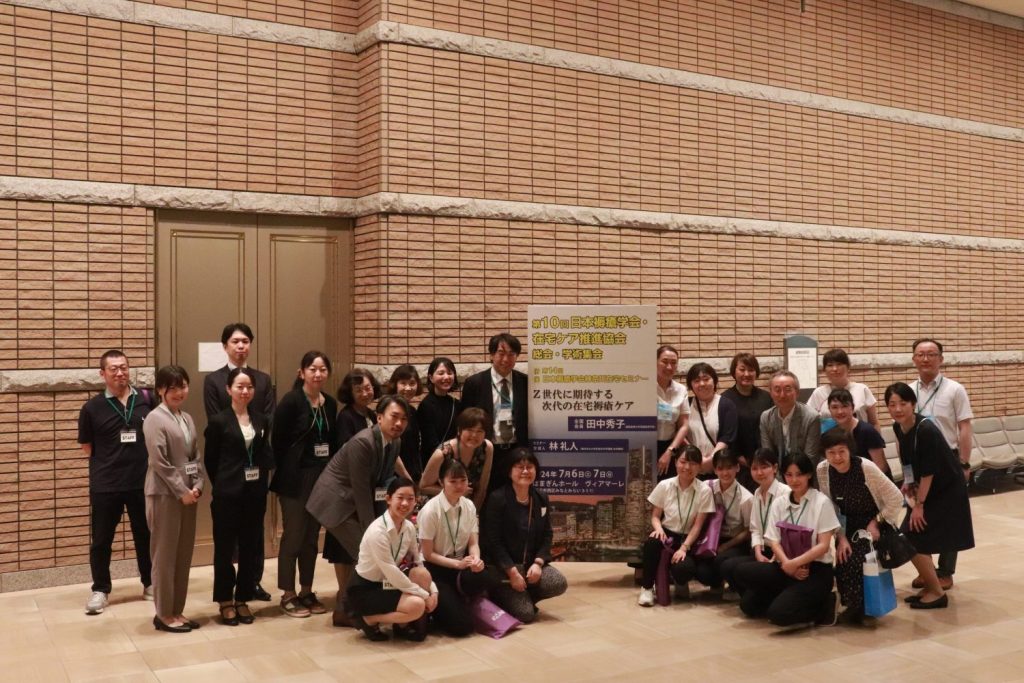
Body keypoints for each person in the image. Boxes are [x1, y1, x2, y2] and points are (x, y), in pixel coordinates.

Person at [306, 395, 414, 627]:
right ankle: (346, 611)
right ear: (379, 417)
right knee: (368, 552)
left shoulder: (395, 442)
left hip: (354, 502)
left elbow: (383, 484)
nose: (399, 423)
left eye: (404, 419)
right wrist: (372, 531)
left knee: (365, 553)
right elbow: (361, 490)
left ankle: (347, 608)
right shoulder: (363, 442)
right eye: (394, 417)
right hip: (335, 502)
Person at [202, 322, 276, 602]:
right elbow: (214, 428)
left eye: (245, 341)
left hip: (256, 473)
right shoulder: (214, 381)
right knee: (226, 540)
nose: (241, 346)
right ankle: (226, 596)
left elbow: (268, 419)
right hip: (229, 473)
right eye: (235, 341)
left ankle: (252, 583)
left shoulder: (263, 380)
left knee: (253, 537)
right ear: (225, 346)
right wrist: (223, 477)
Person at [886, 382, 975, 609]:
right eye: (892, 404)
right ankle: (931, 586)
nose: (898, 409)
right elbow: (907, 459)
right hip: (929, 488)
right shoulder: (898, 427)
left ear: (913, 404)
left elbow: (929, 471)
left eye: (903, 403)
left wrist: (919, 505)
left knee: (912, 538)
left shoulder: (926, 429)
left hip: (946, 491)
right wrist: (907, 482)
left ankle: (936, 592)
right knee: (912, 538)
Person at [78, 350, 154, 615]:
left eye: (124, 367)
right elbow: (87, 447)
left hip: (141, 481)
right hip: (106, 484)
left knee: (145, 535)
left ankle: (150, 583)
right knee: (101, 540)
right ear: (103, 374)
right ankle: (100, 590)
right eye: (113, 369)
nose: (120, 373)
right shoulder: (92, 408)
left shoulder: (146, 399)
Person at [733, 452, 840, 627]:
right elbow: (773, 540)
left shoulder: (821, 502)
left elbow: (823, 546)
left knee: (778, 615)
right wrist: (787, 564)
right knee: (746, 596)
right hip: (786, 565)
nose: (794, 480)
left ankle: (823, 605)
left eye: (799, 474)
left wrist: (794, 564)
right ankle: (787, 594)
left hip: (814, 570)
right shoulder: (780, 502)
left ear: (809, 474)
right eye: (789, 475)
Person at [269, 351, 338, 618]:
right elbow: (278, 441)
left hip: (321, 478)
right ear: (302, 373)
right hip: (295, 479)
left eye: (322, 369)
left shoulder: (329, 404)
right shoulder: (291, 401)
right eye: (312, 369)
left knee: (311, 537)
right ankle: (288, 593)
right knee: (294, 536)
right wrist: (289, 468)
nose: (317, 374)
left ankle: (307, 590)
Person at [817, 427, 903, 623]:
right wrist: (840, 536)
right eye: (831, 452)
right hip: (845, 525)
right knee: (843, 559)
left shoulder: (866, 467)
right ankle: (852, 605)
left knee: (859, 560)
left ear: (850, 449)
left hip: (873, 524)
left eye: (841, 451)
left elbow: (896, 498)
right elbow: (830, 507)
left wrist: (877, 522)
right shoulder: (822, 470)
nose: (837, 457)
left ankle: (865, 609)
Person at [909, 338, 973, 590]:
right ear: (913, 359)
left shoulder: (955, 389)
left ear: (941, 359)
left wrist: (964, 463)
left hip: (948, 460)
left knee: (948, 517)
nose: (926, 359)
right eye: (920, 354)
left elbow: (964, 427)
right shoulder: (908, 391)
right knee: (918, 514)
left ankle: (945, 571)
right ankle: (926, 570)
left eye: (931, 354)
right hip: (919, 461)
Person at [144, 365, 205, 633]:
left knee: (183, 555)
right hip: (165, 495)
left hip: (189, 494)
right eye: (173, 387)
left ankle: (177, 610)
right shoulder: (154, 419)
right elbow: (160, 462)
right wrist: (182, 491)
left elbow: (195, 457)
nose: (180, 392)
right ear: (160, 390)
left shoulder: (187, 418)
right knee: (164, 556)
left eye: (183, 386)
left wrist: (198, 485)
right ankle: (163, 614)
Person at [346, 478, 439, 642]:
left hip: (387, 583)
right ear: (388, 499)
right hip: (365, 589)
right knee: (417, 605)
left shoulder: (408, 527)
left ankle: (402, 625)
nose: (405, 503)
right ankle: (368, 619)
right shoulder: (377, 531)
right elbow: (391, 571)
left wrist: (434, 592)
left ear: (416, 501)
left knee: (421, 574)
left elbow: (418, 562)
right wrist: (425, 596)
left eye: (410, 499)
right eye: (400, 497)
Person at [481, 448, 567, 622]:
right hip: (504, 569)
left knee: (559, 583)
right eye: (520, 467)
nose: (526, 471)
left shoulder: (541, 497)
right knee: (526, 615)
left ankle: (523, 597)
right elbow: (493, 541)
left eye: (530, 467)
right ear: (509, 471)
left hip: (530, 565)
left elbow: (547, 534)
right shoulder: (498, 498)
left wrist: (538, 563)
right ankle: (503, 596)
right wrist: (512, 573)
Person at [418, 459, 498, 636]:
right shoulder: (431, 510)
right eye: (453, 481)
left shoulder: (468, 505)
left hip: (461, 565)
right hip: (435, 569)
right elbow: (427, 554)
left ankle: (458, 600)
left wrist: (476, 560)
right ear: (441, 482)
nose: (459, 486)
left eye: (463, 480)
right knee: (463, 628)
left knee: (487, 576)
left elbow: (473, 543)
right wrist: (457, 564)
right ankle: (439, 608)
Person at [637, 446, 715, 606]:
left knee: (684, 569)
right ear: (675, 462)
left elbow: (698, 526)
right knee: (651, 544)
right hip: (666, 533)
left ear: (699, 467)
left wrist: (684, 548)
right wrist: (658, 529)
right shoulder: (665, 485)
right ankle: (647, 588)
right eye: (683, 461)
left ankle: (680, 581)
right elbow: (655, 516)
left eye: (693, 463)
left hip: (689, 538)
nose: (687, 467)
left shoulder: (704, 490)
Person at [461, 333, 529, 493]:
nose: (506, 359)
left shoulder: (526, 382)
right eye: (501, 353)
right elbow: (465, 422)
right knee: (485, 495)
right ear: (491, 355)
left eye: (511, 354)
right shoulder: (474, 383)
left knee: (515, 495)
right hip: (485, 451)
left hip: (516, 450)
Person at [720, 448, 790, 595]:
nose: (759, 472)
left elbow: (787, 531)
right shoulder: (757, 493)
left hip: (781, 552)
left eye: (764, 467)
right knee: (727, 566)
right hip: (762, 549)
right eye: (754, 468)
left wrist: (776, 555)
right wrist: (758, 553)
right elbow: (755, 528)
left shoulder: (786, 493)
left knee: (741, 571)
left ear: (775, 468)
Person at [688, 450, 752, 593]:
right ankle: (717, 582)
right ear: (715, 470)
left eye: (729, 467)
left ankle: (735, 586)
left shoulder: (746, 498)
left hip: (735, 541)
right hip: (710, 538)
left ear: (737, 467)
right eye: (720, 468)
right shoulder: (707, 487)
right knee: (702, 572)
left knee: (721, 561)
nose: (725, 473)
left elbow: (748, 531)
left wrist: (726, 546)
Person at [419, 407, 494, 510]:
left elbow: (482, 488)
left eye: (479, 431)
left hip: (467, 506)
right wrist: (456, 490)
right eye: (469, 430)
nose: (474, 435)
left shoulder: (487, 448)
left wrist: (474, 512)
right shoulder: (443, 453)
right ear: (459, 430)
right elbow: (423, 487)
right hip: (437, 506)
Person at [722, 352, 774, 491]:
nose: (746, 374)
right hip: (738, 465)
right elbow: (724, 433)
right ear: (734, 372)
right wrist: (739, 457)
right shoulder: (725, 399)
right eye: (742, 369)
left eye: (751, 370)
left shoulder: (766, 397)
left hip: (765, 463)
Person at [806, 348, 881, 431]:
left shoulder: (862, 389)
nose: (835, 369)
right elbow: (809, 423)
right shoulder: (818, 393)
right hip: (830, 438)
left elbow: (874, 423)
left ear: (848, 367)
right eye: (830, 365)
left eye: (839, 364)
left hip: (861, 437)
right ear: (824, 370)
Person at [760, 370, 823, 466]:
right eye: (777, 390)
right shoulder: (766, 417)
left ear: (797, 392)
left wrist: (792, 475)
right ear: (771, 393)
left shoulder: (811, 417)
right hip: (775, 471)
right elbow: (768, 456)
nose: (782, 395)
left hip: (804, 471)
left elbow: (810, 457)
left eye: (787, 389)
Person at [685, 362, 738, 474]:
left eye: (706, 379)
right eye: (696, 381)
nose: (702, 384)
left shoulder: (726, 405)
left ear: (714, 381)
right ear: (691, 385)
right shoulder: (686, 404)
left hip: (720, 468)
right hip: (691, 467)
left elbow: (727, 436)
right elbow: (681, 434)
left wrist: (711, 459)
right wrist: (696, 458)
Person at [827, 388, 889, 474]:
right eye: (834, 407)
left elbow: (881, 467)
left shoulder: (867, 431)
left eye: (844, 406)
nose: (840, 411)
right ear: (829, 409)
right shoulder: (832, 432)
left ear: (852, 408)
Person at [655, 345, 690, 481]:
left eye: (673, 363)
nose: (669, 367)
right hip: (645, 446)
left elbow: (684, 425)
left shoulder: (681, 390)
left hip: (670, 446)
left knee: (668, 487)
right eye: (664, 361)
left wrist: (670, 451)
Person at [418, 357, 462, 464]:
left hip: (454, 461)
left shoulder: (456, 404)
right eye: (441, 373)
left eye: (449, 373)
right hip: (433, 461)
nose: (446, 377)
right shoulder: (425, 405)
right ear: (431, 378)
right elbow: (430, 442)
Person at [385, 364, 424, 482]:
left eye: (412, 383)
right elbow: (390, 449)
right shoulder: (388, 410)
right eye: (403, 383)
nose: (408, 388)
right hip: (394, 475)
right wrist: (407, 478)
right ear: (395, 385)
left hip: (412, 473)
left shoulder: (412, 411)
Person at [337, 368, 381, 445]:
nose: (365, 394)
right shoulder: (345, 416)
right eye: (358, 390)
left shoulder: (372, 414)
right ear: (350, 393)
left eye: (367, 388)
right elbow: (346, 448)